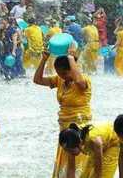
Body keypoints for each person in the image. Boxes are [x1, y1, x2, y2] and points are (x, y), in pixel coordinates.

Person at [33, 48, 92, 178]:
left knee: (77, 159)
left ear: (73, 68)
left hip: (80, 125)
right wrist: (44, 59)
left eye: (64, 73)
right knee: (67, 160)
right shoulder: (60, 80)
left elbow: (80, 83)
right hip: (64, 126)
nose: (61, 76)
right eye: (59, 73)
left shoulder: (83, 80)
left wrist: (71, 58)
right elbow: (37, 80)